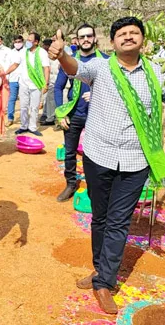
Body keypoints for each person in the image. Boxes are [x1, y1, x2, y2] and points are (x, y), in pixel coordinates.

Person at [47, 16, 165, 315]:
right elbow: (77, 69)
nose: (128, 37)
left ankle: (104, 281)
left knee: (117, 221)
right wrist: (62, 55)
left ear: (143, 39)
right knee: (100, 218)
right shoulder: (101, 67)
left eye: (134, 33)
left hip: (136, 161)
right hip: (98, 156)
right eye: (122, 34)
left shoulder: (155, 73)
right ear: (113, 42)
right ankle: (100, 269)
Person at [54, 24, 109, 202]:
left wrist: (95, 94)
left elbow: (113, 89)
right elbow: (58, 87)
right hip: (74, 114)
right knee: (70, 152)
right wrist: (60, 113)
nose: (86, 39)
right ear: (77, 40)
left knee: (95, 154)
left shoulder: (107, 61)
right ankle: (71, 184)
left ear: (94, 38)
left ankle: (95, 188)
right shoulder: (69, 62)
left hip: (97, 115)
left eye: (89, 36)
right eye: (82, 37)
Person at [7, 32, 50, 136]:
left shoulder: (42, 53)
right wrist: (5, 72)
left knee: (34, 107)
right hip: (24, 84)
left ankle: (32, 127)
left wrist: (46, 84)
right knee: (23, 106)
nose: (28, 42)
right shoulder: (23, 52)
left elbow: (46, 68)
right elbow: (15, 64)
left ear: (36, 42)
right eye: (28, 40)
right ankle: (24, 126)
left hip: (36, 84)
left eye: (30, 40)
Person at [4, 35, 25, 126]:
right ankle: (10, 118)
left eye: (19, 41)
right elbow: (8, 65)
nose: (17, 43)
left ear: (22, 41)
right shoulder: (10, 53)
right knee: (12, 99)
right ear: (13, 42)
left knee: (24, 100)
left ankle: (24, 120)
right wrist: (6, 78)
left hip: (24, 79)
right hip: (13, 79)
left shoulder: (27, 51)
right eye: (16, 42)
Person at [40, 38, 59, 125]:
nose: (44, 47)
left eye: (45, 46)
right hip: (49, 81)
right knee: (48, 99)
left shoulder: (56, 55)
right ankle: (48, 116)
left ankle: (52, 118)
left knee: (54, 99)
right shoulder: (44, 56)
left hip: (56, 81)